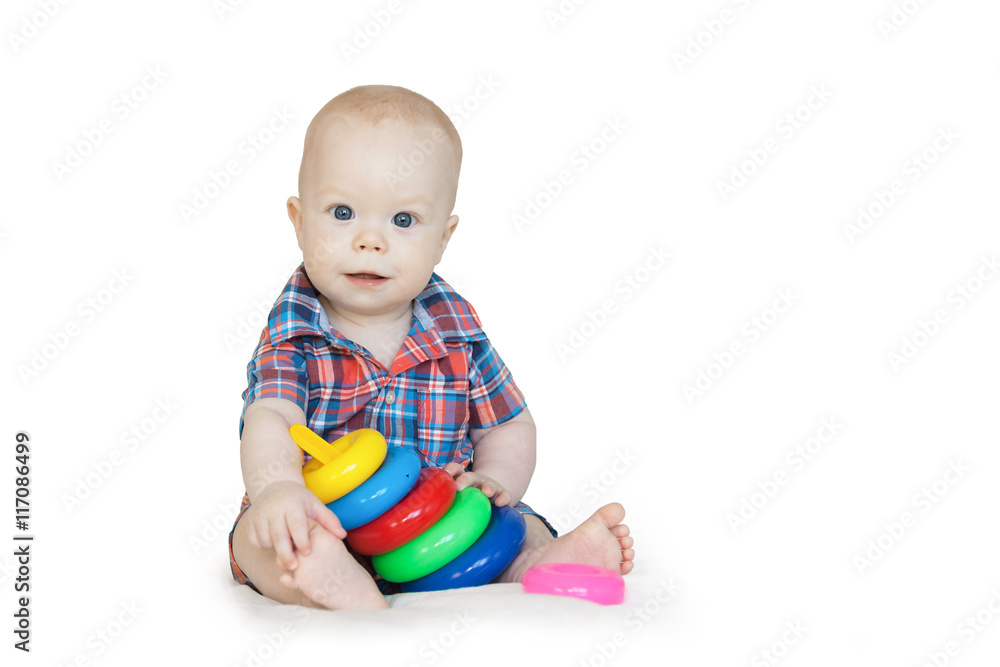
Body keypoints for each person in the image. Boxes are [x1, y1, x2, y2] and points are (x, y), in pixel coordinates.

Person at [228, 84, 635, 609]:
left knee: (516, 526)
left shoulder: (458, 334)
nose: (370, 240)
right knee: (260, 539)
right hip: (324, 514)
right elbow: (272, 418)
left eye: (403, 221)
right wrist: (278, 490)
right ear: (299, 222)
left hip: (446, 528)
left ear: (443, 239)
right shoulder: (296, 333)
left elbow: (509, 422)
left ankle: (537, 563)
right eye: (342, 213)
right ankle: (326, 578)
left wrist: (494, 480)